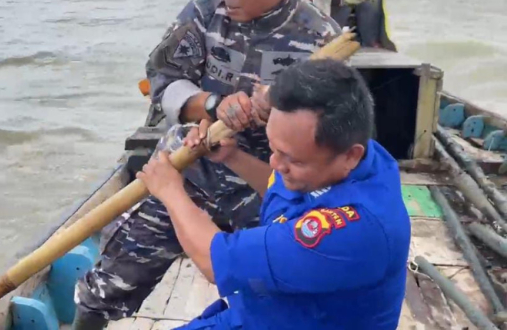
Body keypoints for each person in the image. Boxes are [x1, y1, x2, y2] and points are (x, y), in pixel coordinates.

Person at [72, 0, 341, 328]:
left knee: (280, 302)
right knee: (106, 287)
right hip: (188, 169)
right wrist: (212, 104)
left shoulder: (321, 39)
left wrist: (282, 110)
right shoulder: (204, 12)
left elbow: (329, 146)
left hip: (265, 188)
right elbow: (163, 81)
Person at [137, 59, 412, 329]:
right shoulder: (351, 158)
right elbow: (278, 188)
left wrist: (169, 191)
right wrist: (233, 157)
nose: (276, 165)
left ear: (350, 156)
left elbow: (213, 261)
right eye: (274, 149)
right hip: (264, 315)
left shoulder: (355, 229)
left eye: (293, 160)